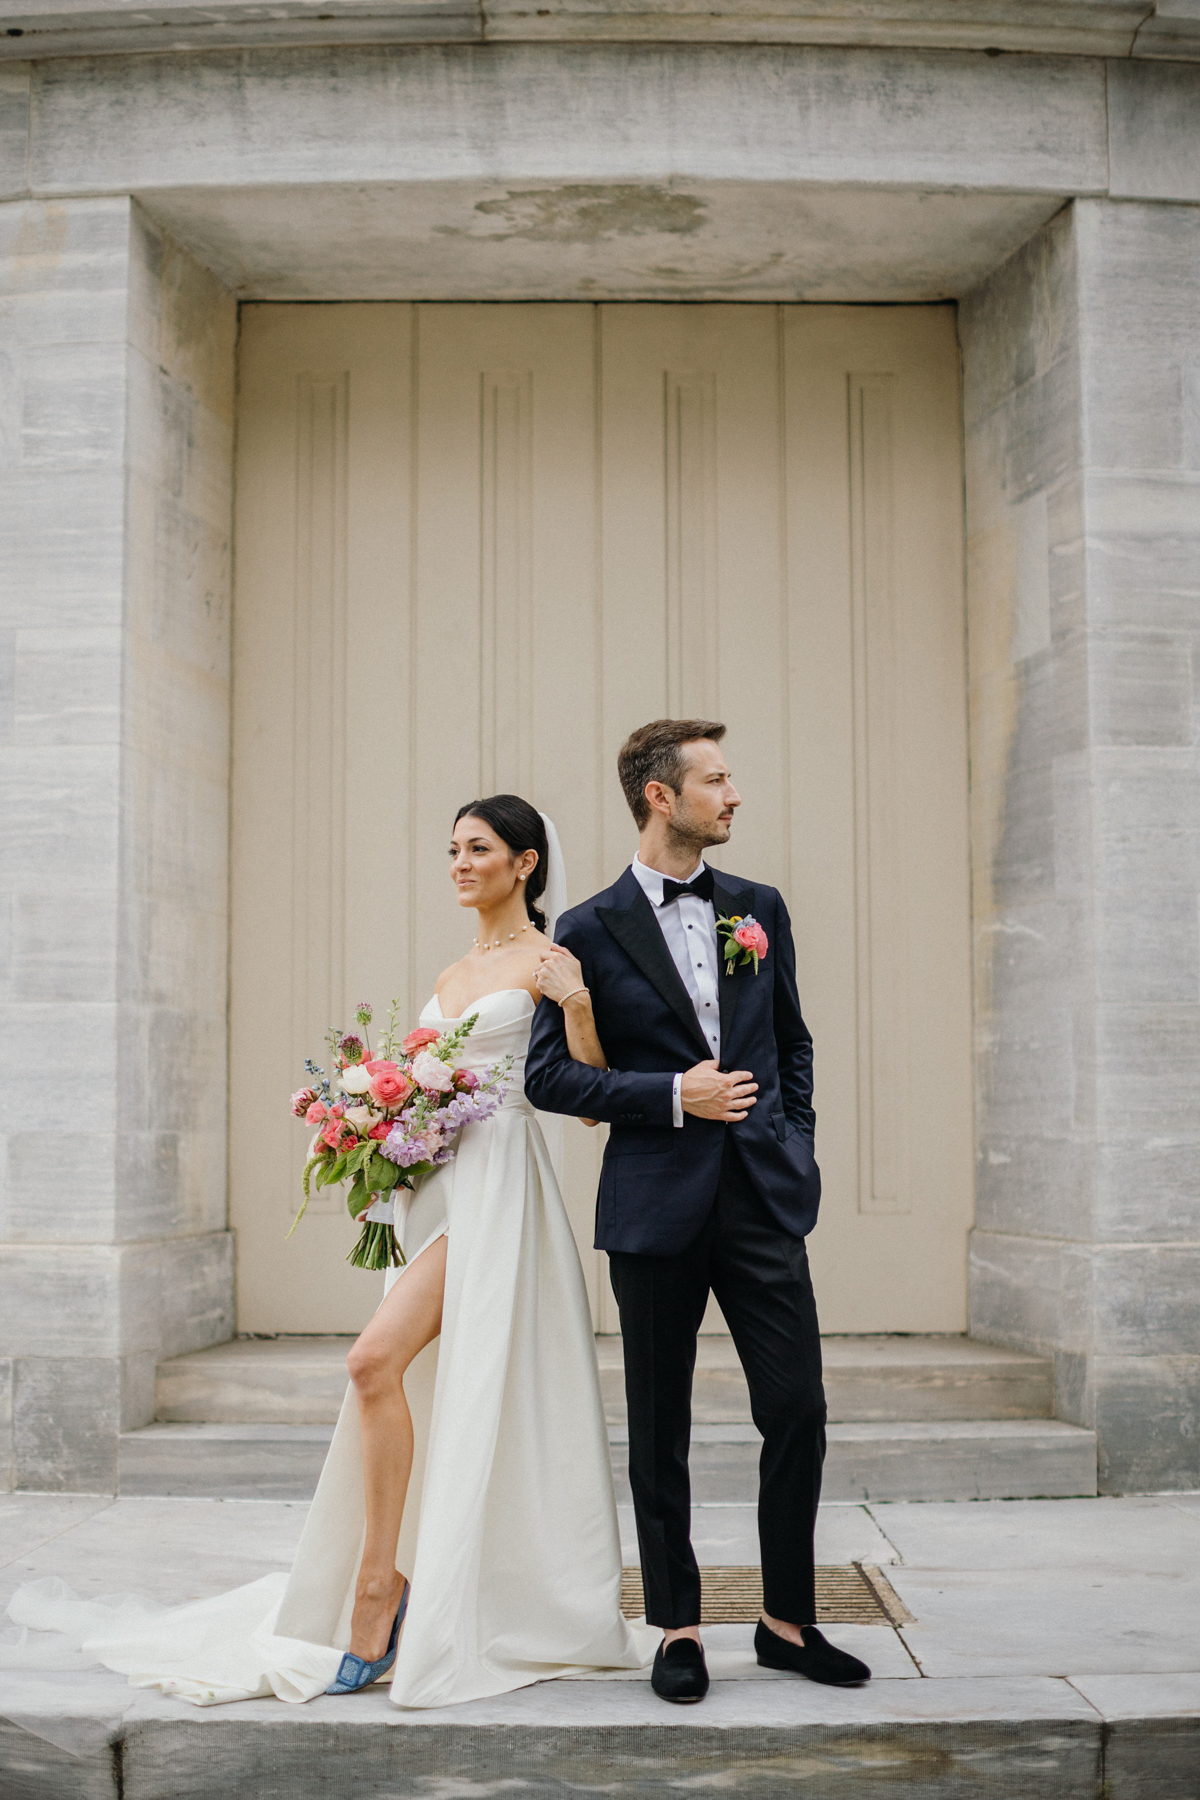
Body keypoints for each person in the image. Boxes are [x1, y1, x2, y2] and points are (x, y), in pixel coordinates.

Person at [4, 798, 653, 1709]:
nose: (460, 864)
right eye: (453, 849)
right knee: (393, 1373)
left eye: (479, 849)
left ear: (526, 862)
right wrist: (364, 1123)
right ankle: (388, 1583)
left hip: (502, 1189)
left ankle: (381, 1587)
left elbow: (586, 1098)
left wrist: (577, 1000)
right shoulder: (452, 969)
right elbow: (427, 1089)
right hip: (434, 1189)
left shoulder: (550, 962)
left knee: (371, 1361)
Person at [525, 719, 871, 1703]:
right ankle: (677, 1627)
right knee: (660, 1424)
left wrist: (792, 1136)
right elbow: (550, 1076)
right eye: (717, 780)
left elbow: (792, 1043)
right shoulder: (585, 930)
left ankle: (787, 1624)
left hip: (762, 1199)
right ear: (659, 797)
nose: (735, 795)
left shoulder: (759, 909)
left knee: (796, 1408)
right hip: (653, 1209)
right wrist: (676, 1095)